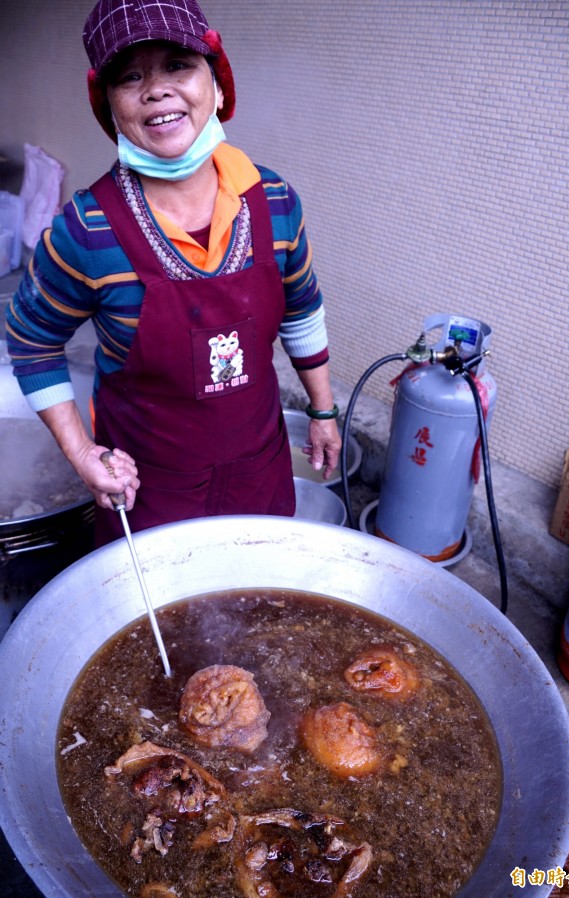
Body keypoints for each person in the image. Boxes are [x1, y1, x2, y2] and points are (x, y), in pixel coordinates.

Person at [6, 0, 341, 547]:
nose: (157, 90)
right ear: (109, 106)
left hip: (261, 475)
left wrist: (323, 412)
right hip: (149, 495)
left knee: (260, 619)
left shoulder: (275, 201)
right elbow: (31, 341)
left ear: (218, 82)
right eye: (130, 76)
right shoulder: (86, 231)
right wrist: (82, 451)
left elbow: (302, 307)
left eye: (178, 65)